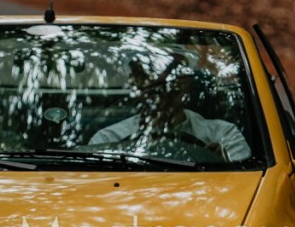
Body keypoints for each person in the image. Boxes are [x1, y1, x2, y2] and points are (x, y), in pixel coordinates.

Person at [89, 61, 251, 162]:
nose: (159, 95)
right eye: (144, 79)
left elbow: (244, 183)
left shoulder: (224, 135)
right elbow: (98, 183)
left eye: (167, 84)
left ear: (184, 85)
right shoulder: (108, 139)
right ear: (136, 86)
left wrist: (221, 162)